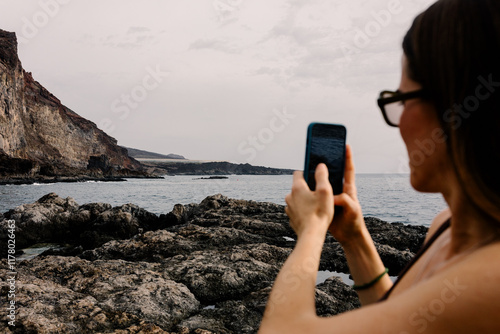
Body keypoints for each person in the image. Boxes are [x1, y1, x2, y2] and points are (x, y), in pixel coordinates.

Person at [258, 0, 500, 333]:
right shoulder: (445, 227)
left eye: (400, 100)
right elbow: (405, 319)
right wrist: (354, 237)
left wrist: (312, 228)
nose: (397, 123)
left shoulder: (492, 280)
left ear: (452, 107)